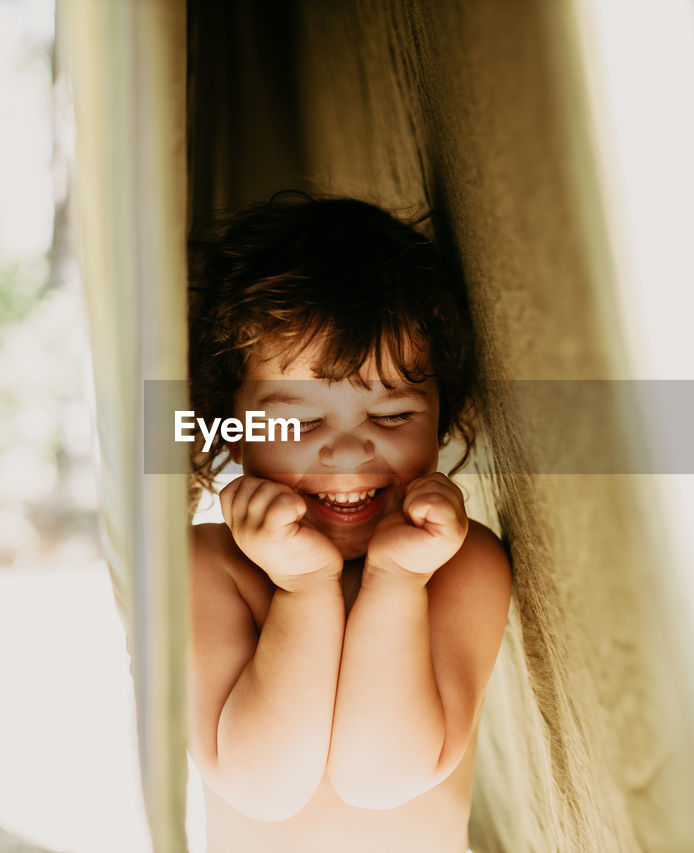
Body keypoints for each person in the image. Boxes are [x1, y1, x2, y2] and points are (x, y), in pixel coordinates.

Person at [185, 194, 511, 853]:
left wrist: (396, 580)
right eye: (301, 422)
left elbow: (382, 775)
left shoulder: (461, 562)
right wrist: (302, 589)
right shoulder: (204, 566)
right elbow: (262, 784)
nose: (348, 450)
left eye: (391, 417)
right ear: (232, 426)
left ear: (442, 418)